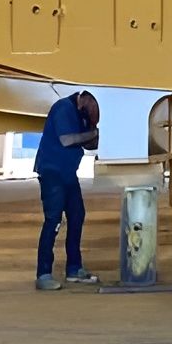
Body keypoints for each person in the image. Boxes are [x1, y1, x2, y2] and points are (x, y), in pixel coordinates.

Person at [33, 88, 101, 291]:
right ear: (86, 98)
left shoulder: (82, 113)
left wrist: (93, 133)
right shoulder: (63, 108)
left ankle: (74, 268)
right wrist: (92, 133)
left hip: (68, 173)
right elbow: (67, 139)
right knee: (53, 220)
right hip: (52, 173)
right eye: (94, 108)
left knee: (77, 215)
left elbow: (90, 144)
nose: (93, 114)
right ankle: (43, 274)